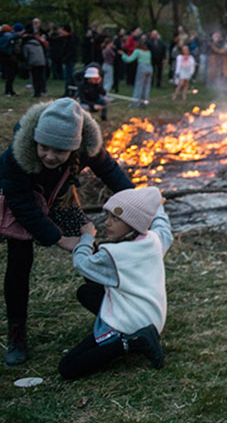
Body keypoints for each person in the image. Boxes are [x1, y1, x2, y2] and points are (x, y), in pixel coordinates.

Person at [1, 98, 134, 365]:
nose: (50, 156)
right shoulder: (15, 156)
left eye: (60, 151)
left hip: (61, 198)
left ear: (74, 148)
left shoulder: (87, 146)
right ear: (35, 140)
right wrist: (59, 239)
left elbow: (108, 170)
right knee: (19, 262)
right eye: (44, 147)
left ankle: (112, 316)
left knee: (92, 252)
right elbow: (23, 206)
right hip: (25, 203)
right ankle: (17, 334)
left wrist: (135, 200)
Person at [58, 186, 171, 379]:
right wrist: (157, 206)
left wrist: (86, 238)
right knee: (86, 292)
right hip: (153, 315)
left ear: (134, 223)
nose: (107, 223)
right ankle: (139, 333)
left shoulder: (115, 255)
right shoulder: (153, 240)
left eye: (116, 218)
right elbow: (163, 227)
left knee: (68, 368)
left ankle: (132, 341)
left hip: (133, 323)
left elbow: (82, 264)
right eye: (107, 216)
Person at [120, 35, 152, 107]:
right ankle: (145, 102)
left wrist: (123, 55)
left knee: (139, 85)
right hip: (149, 67)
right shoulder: (148, 51)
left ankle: (135, 103)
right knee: (146, 86)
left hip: (142, 67)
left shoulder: (137, 51)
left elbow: (129, 59)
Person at [22, 31, 48, 97]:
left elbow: (25, 56)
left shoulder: (27, 45)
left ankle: (36, 93)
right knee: (40, 78)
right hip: (42, 62)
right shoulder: (39, 44)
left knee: (35, 78)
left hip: (33, 63)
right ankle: (41, 90)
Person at [0, 24, 20, 96]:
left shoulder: (3, 36)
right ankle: (8, 91)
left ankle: (10, 91)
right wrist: (19, 33)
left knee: (10, 76)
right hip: (8, 58)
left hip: (5, 58)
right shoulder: (7, 35)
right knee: (10, 76)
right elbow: (13, 36)